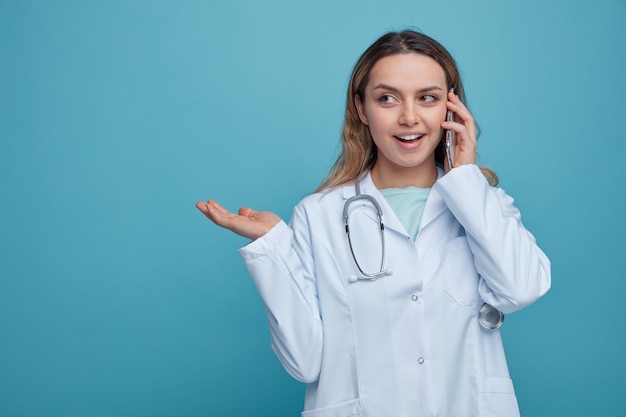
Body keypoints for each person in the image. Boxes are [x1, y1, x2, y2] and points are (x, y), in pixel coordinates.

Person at [196, 30, 551, 417]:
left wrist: (465, 180)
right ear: (362, 109)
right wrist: (272, 247)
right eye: (387, 98)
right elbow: (304, 363)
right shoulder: (320, 215)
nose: (409, 117)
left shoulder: (485, 204)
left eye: (427, 98)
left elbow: (522, 289)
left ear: (451, 109)